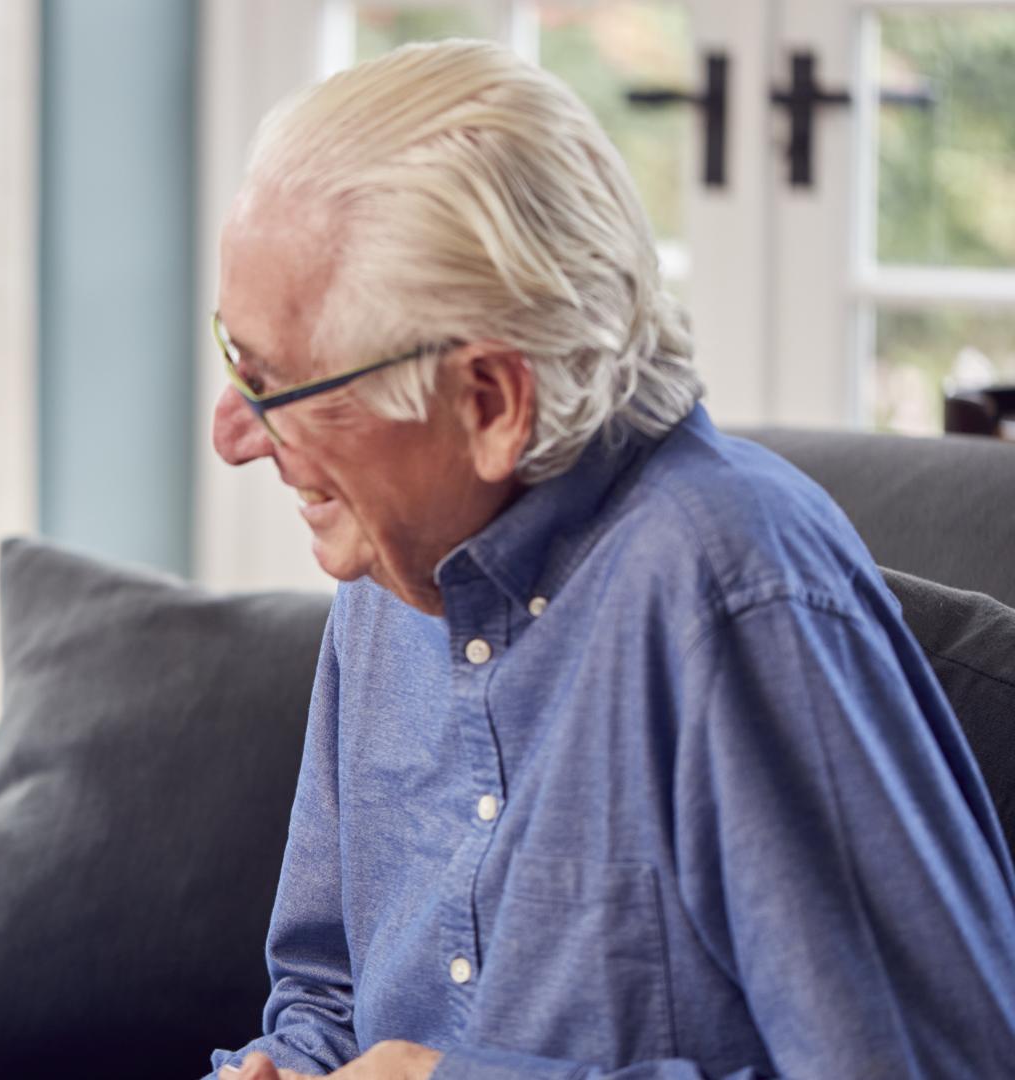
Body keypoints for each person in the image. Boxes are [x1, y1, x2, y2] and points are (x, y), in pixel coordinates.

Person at [203, 40, 1015, 1080]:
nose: (232, 433)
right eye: (237, 355)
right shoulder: (392, 566)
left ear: (491, 404)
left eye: (279, 385)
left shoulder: (733, 592)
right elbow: (324, 996)